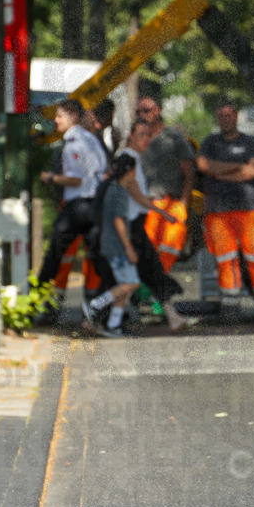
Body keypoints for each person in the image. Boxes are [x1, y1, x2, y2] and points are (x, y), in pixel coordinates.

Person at [196, 102, 254, 320]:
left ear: (235, 117)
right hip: (218, 212)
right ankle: (230, 310)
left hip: (249, 210)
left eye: (229, 115)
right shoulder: (210, 143)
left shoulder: (250, 142)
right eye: (221, 115)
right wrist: (237, 168)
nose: (225, 119)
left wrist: (219, 172)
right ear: (217, 119)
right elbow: (204, 166)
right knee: (225, 260)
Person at [36, 99, 111, 307]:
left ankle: (37, 303)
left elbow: (75, 179)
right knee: (100, 260)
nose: (56, 120)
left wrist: (51, 178)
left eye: (60, 116)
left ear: (73, 117)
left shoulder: (73, 145)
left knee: (53, 256)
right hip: (94, 206)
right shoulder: (92, 140)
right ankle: (112, 305)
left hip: (77, 207)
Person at [116, 119, 187, 331]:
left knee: (149, 273)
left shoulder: (133, 158)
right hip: (128, 227)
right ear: (131, 136)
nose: (145, 140)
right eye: (140, 135)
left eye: (148, 135)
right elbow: (135, 194)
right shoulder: (127, 159)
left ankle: (173, 317)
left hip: (134, 225)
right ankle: (95, 316)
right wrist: (163, 212)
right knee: (134, 276)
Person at [82, 154, 142, 338]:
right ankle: (97, 304)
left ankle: (114, 324)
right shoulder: (119, 192)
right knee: (132, 283)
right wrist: (129, 247)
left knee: (124, 286)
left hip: (112, 244)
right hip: (117, 246)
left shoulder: (115, 189)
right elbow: (118, 221)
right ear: (130, 171)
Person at [137, 95, 197, 272]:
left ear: (158, 111)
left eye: (146, 110)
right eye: (138, 111)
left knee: (171, 247)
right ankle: (150, 292)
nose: (142, 114)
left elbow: (189, 172)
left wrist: (184, 203)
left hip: (172, 202)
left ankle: (157, 287)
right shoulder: (136, 139)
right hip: (146, 204)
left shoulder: (174, 138)